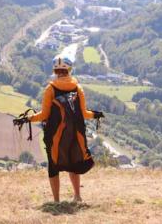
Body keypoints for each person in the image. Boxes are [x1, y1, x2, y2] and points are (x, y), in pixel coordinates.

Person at [15, 55, 103, 203]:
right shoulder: (77, 88)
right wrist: (97, 115)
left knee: (53, 166)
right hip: (74, 134)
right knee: (73, 164)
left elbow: (44, 115)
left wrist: (27, 119)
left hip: (54, 135)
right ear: (69, 69)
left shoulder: (50, 89)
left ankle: (56, 201)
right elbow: (84, 114)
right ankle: (77, 196)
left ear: (55, 70)